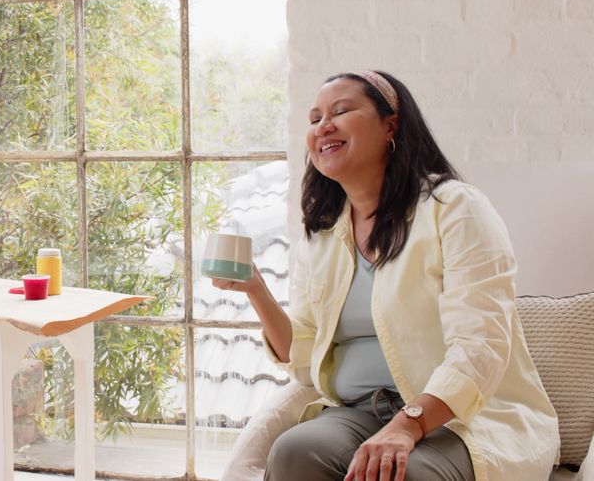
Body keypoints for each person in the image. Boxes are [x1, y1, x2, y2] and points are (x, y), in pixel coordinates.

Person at [213, 71, 559, 481]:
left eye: (341, 111)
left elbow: (480, 346)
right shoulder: (324, 234)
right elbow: (303, 361)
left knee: (405, 473)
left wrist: (406, 425)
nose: (323, 125)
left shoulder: (455, 208)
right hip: (360, 413)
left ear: (390, 125)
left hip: (463, 419)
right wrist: (256, 288)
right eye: (314, 117)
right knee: (293, 450)